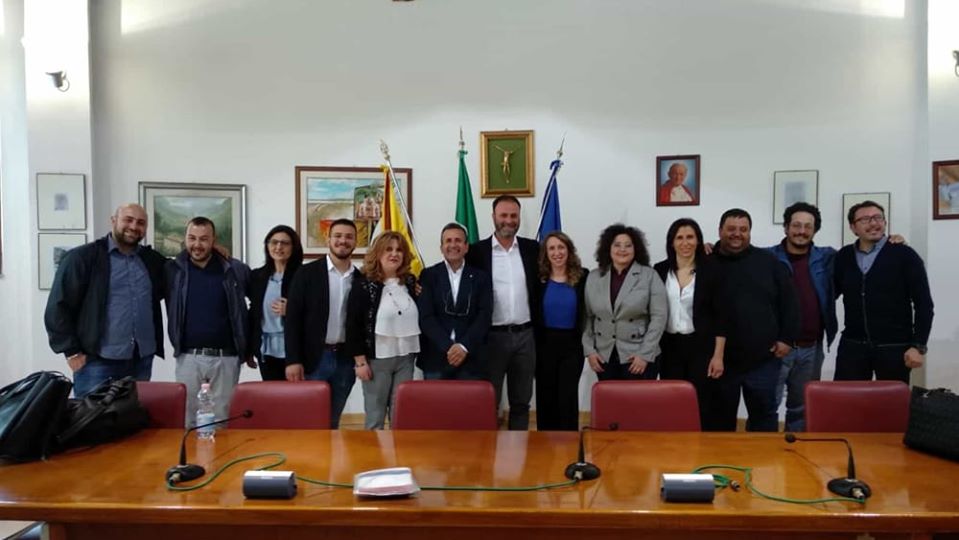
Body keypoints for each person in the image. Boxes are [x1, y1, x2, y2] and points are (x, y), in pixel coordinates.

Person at [44, 204, 166, 397]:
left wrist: (214, 250)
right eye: (128, 220)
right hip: (96, 362)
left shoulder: (151, 260)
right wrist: (71, 351)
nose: (134, 226)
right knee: (92, 415)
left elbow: (182, 267)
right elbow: (58, 306)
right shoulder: (82, 258)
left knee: (134, 414)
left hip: (140, 360)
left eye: (141, 223)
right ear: (113, 221)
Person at [711, 208, 799, 432]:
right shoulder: (706, 262)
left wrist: (786, 339)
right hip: (720, 360)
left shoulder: (769, 262)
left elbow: (789, 302)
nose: (737, 234)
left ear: (750, 232)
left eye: (743, 229)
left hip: (763, 359)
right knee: (718, 418)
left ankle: (763, 457)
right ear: (720, 231)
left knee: (764, 417)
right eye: (731, 229)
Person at [165, 216, 252, 427]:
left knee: (222, 419)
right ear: (185, 238)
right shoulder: (173, 270)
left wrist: (250, 347)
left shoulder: (235, 269)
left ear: (214, 240)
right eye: (192, 238)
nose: (197, 244)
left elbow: (259, 301)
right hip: (188, 357)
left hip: (226, 358)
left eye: (204, 239)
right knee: (187, 419)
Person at [834, 201, 934, 383]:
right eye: (865, 219)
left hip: (895, 347)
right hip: (853, 346)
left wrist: (918, 346)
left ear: (885, 222)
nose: (873, 223)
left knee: (891, 400)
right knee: (846, 399)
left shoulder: (905, 255)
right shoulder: (843, 256)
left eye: (878, 218)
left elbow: (924, 304)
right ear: (853, 227)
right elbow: (830, 294)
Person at [465, 195, 540, 430]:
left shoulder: (532, 249)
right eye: (503, 215)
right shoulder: (475, 253)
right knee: (488, 402)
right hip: (491, 338)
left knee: (521, 402)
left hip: (526, 337)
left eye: (513, 215)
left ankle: (518, 449)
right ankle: (488, 450)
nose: (509, 220)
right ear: (493, 217)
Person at [765, 203, 837, 432]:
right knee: (767, 406)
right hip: (775, 348)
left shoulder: (827, 258)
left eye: (808, 226)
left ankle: (796, 450)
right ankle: (762, 451)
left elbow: (858, 253)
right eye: (796, 225)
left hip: (811, 348)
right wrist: (710, 248)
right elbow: (735, 254)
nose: (802, 231)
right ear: (786, 227)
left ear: (815, 230)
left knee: (802, 408)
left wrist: (892, 241)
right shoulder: (767, 257)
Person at [653, 218, 728, 431]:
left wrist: (718, 356)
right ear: (672, 242)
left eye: (690, 237)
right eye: (679, 238)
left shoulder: (712, 270)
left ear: (698, 240)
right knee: (671, 400)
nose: (685, 243)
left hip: (701, 346)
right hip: (669, 346)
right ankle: (675, 445)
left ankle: (700, 444)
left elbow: (721, 316)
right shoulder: (660, 270)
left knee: (702, 401)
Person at [285, 218, 361, 429]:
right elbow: (292, 319)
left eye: (349, 237)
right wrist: (293, 360)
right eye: (338, 236)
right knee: (309, 422)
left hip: (345, 361)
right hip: (313, 359)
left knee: (332, 422)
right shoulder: (306, 273)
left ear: (355, 242)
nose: (343, 241)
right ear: (328, 239)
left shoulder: (361, 278)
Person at [346, 231, 420, 429]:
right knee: (375, 416)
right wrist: (360, 362)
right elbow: (353, 325)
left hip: (406, 358)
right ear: (378, 253)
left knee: (401, 414)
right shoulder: (364, 284)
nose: (394, 254)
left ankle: (398, 450)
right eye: (388, 249)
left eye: (399, 250)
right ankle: (374, 451)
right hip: (376, 360)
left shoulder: (410, 282)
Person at [583, 224, 667, 381]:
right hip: (604, 356)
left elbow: (659, 318)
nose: (623, 249)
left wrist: (644, 354)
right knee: (609, 398)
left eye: (628, 245)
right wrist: (589, 351)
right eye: (617, 245)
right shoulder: (594, 277)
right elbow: (587, 317)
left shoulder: (649, 275)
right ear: (608, 248)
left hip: (638, 356)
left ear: (636, 249)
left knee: (640, 398)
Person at [417, 223, 493, 380]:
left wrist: (463, 347)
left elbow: (484, 315)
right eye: (448, 241)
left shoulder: (481, 277)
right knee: (435, 397)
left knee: (469, 398)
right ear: (441, 247)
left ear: (466, 247)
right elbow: (426, 317)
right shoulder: (428, 275)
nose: (453, 245)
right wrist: (448, 347)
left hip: (471, 357)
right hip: (436, 356)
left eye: (458, 240)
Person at [534, 231, 588, 431]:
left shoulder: (583, 277)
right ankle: (545, 444)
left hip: (572, 346)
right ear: (546, 253)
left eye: (561, 247)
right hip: (544, 345)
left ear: (569, 250)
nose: (557, 253)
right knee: (545, 397)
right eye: (552, 248)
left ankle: (569, 443)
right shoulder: (538, 280)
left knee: (567, 398)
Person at [248, 225, 304, 381]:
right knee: (271, 393)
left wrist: (291, 310)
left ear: (294, 247)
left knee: (296, 394)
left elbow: (316, 312)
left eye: (285, 243)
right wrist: (249, 349)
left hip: (295, 349)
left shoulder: (304, 275)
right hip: (266, 349)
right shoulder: (257, 276)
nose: (279, 247)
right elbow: (253, 313)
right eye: (274, 242)